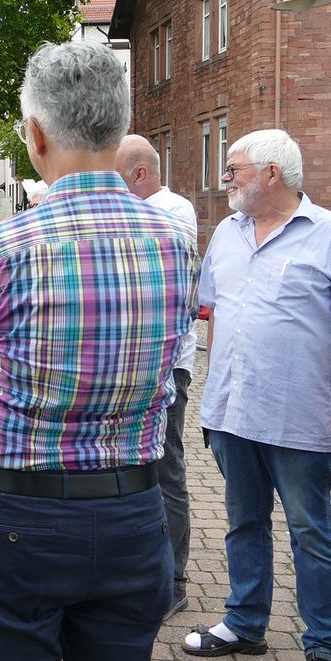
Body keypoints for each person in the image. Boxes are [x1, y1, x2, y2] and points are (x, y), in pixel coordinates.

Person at [0, 40, 199, 661]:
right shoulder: (177, 246)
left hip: (17, 513)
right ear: (120, 127)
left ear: (36, 135)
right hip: (133, 506)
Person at [183, 129, 331, 661]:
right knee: (243, 523)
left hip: (301, 417)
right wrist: (212, 397)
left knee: (310, 532)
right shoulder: (225, 233)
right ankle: (245, 624)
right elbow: (216, 313)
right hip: (232, 414)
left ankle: (324, 647)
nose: (226, 178)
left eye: (235, 167)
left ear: (273, 174)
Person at [117, 133, 198, 619]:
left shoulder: (171, 212)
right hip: (138, 363)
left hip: (165, 366)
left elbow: (177, 303)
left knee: (165, 467)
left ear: (140, 174)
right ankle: (144, 571)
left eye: (117, 177)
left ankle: (174, 580)